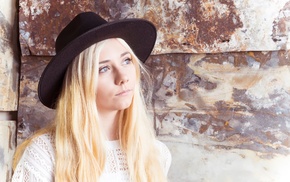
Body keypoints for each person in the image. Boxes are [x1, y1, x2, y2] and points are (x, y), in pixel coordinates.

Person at [12, 12, 171, 182]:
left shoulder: (155, 153)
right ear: (80, 84)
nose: (123, 77)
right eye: (104, 69)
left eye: (126, 60)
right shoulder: (45, 154)